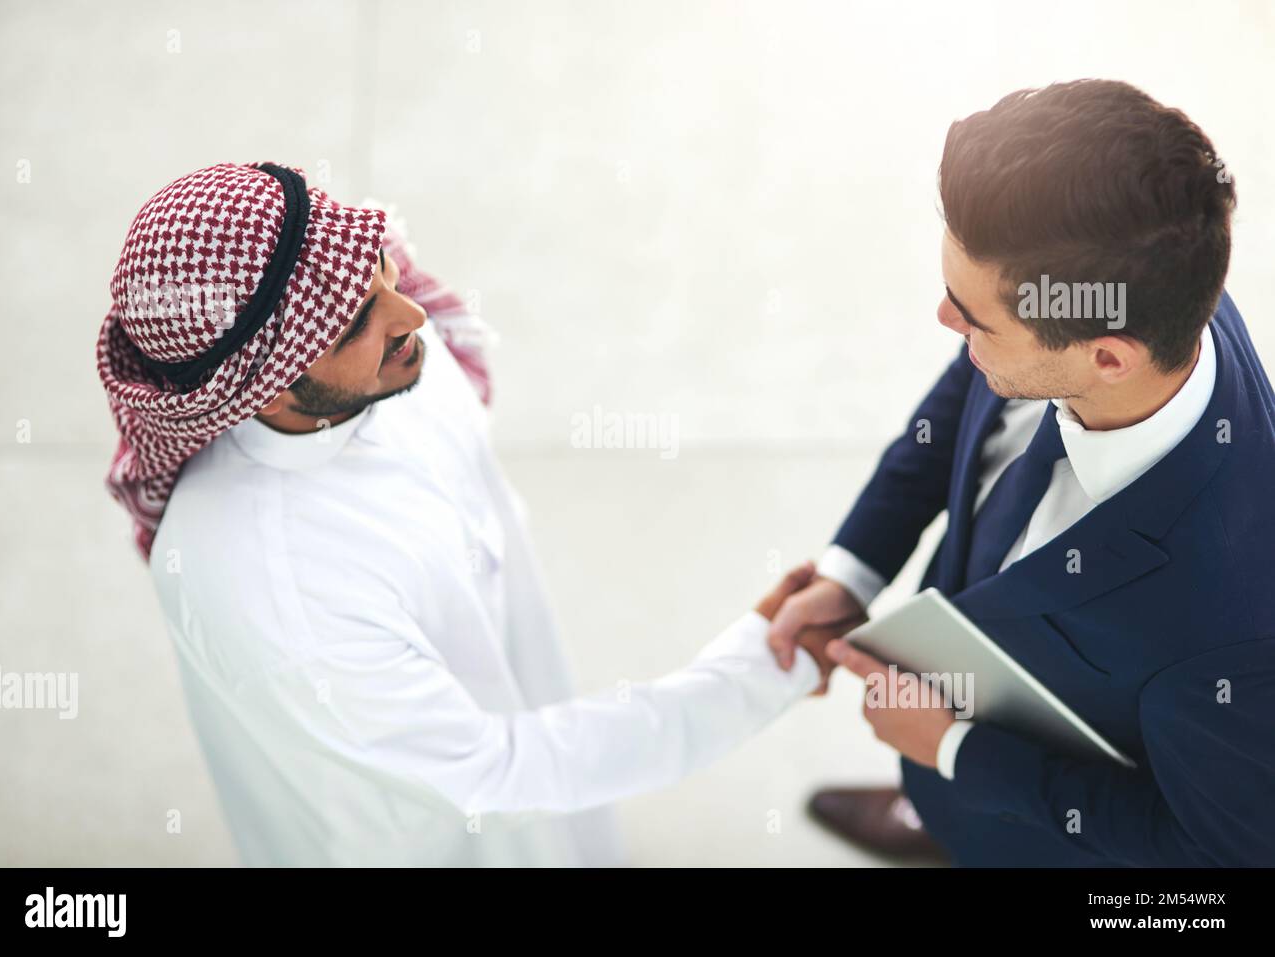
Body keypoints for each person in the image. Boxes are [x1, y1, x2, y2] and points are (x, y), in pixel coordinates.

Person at [97, 162, 842, 866]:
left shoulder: (395, 362)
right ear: (261, 386)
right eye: (355, 317)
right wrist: (753, 674)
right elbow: (495, 774)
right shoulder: (275, 586)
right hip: (408, 829)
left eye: (378, 271)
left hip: (511, 706)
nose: (413, 309)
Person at [769, 79, 1275, 867]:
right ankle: (934, 811)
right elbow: (954, 418)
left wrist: (958, 751)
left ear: (1110, 357)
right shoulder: (1135, 291)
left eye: (972, 317)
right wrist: (853, 571)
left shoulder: (1239, 623)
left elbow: (1209, 856)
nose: (947, 322)